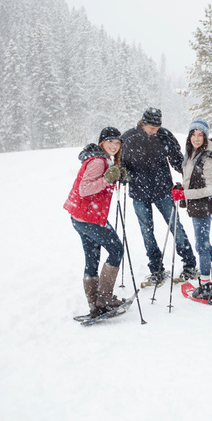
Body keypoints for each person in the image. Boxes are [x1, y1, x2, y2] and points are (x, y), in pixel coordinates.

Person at [121, 107, 197, 285]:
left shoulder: (164, 136)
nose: (155, 131)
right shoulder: (128, 138)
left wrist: (191, 172)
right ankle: (156, 269)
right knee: (147, 232)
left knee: (175, 227)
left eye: (157, 128)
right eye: (152, 128)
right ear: (143, 122)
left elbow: (177, 160)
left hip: (163, 190)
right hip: (139, 194)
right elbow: (121, 164)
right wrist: (123, 175)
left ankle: (190, 265)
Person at [64, 127, 127, 318]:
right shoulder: (99, 162)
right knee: (117, 250)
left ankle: (94, 305)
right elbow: (85, 189)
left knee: (92, 259)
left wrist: (117, 178)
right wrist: (108, 180)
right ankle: (104, 298)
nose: (114, 146)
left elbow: (96, 186)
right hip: (90, 218)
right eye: (110, 142)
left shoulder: (101, 160)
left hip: (80, 218)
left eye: (117, 143)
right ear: (102, 143)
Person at [176, 118, 212, 300]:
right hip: (196, 206)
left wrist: (185, 195)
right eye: (193, 134)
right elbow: (190, 180)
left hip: (205, 206)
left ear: (206, 137)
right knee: (204, 243)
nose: (196, 138)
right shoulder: (191, 155)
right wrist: (181, 190)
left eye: (200, 135)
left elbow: (210, 189)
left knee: (201, 245)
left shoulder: (207, 158)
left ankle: (206, 284)